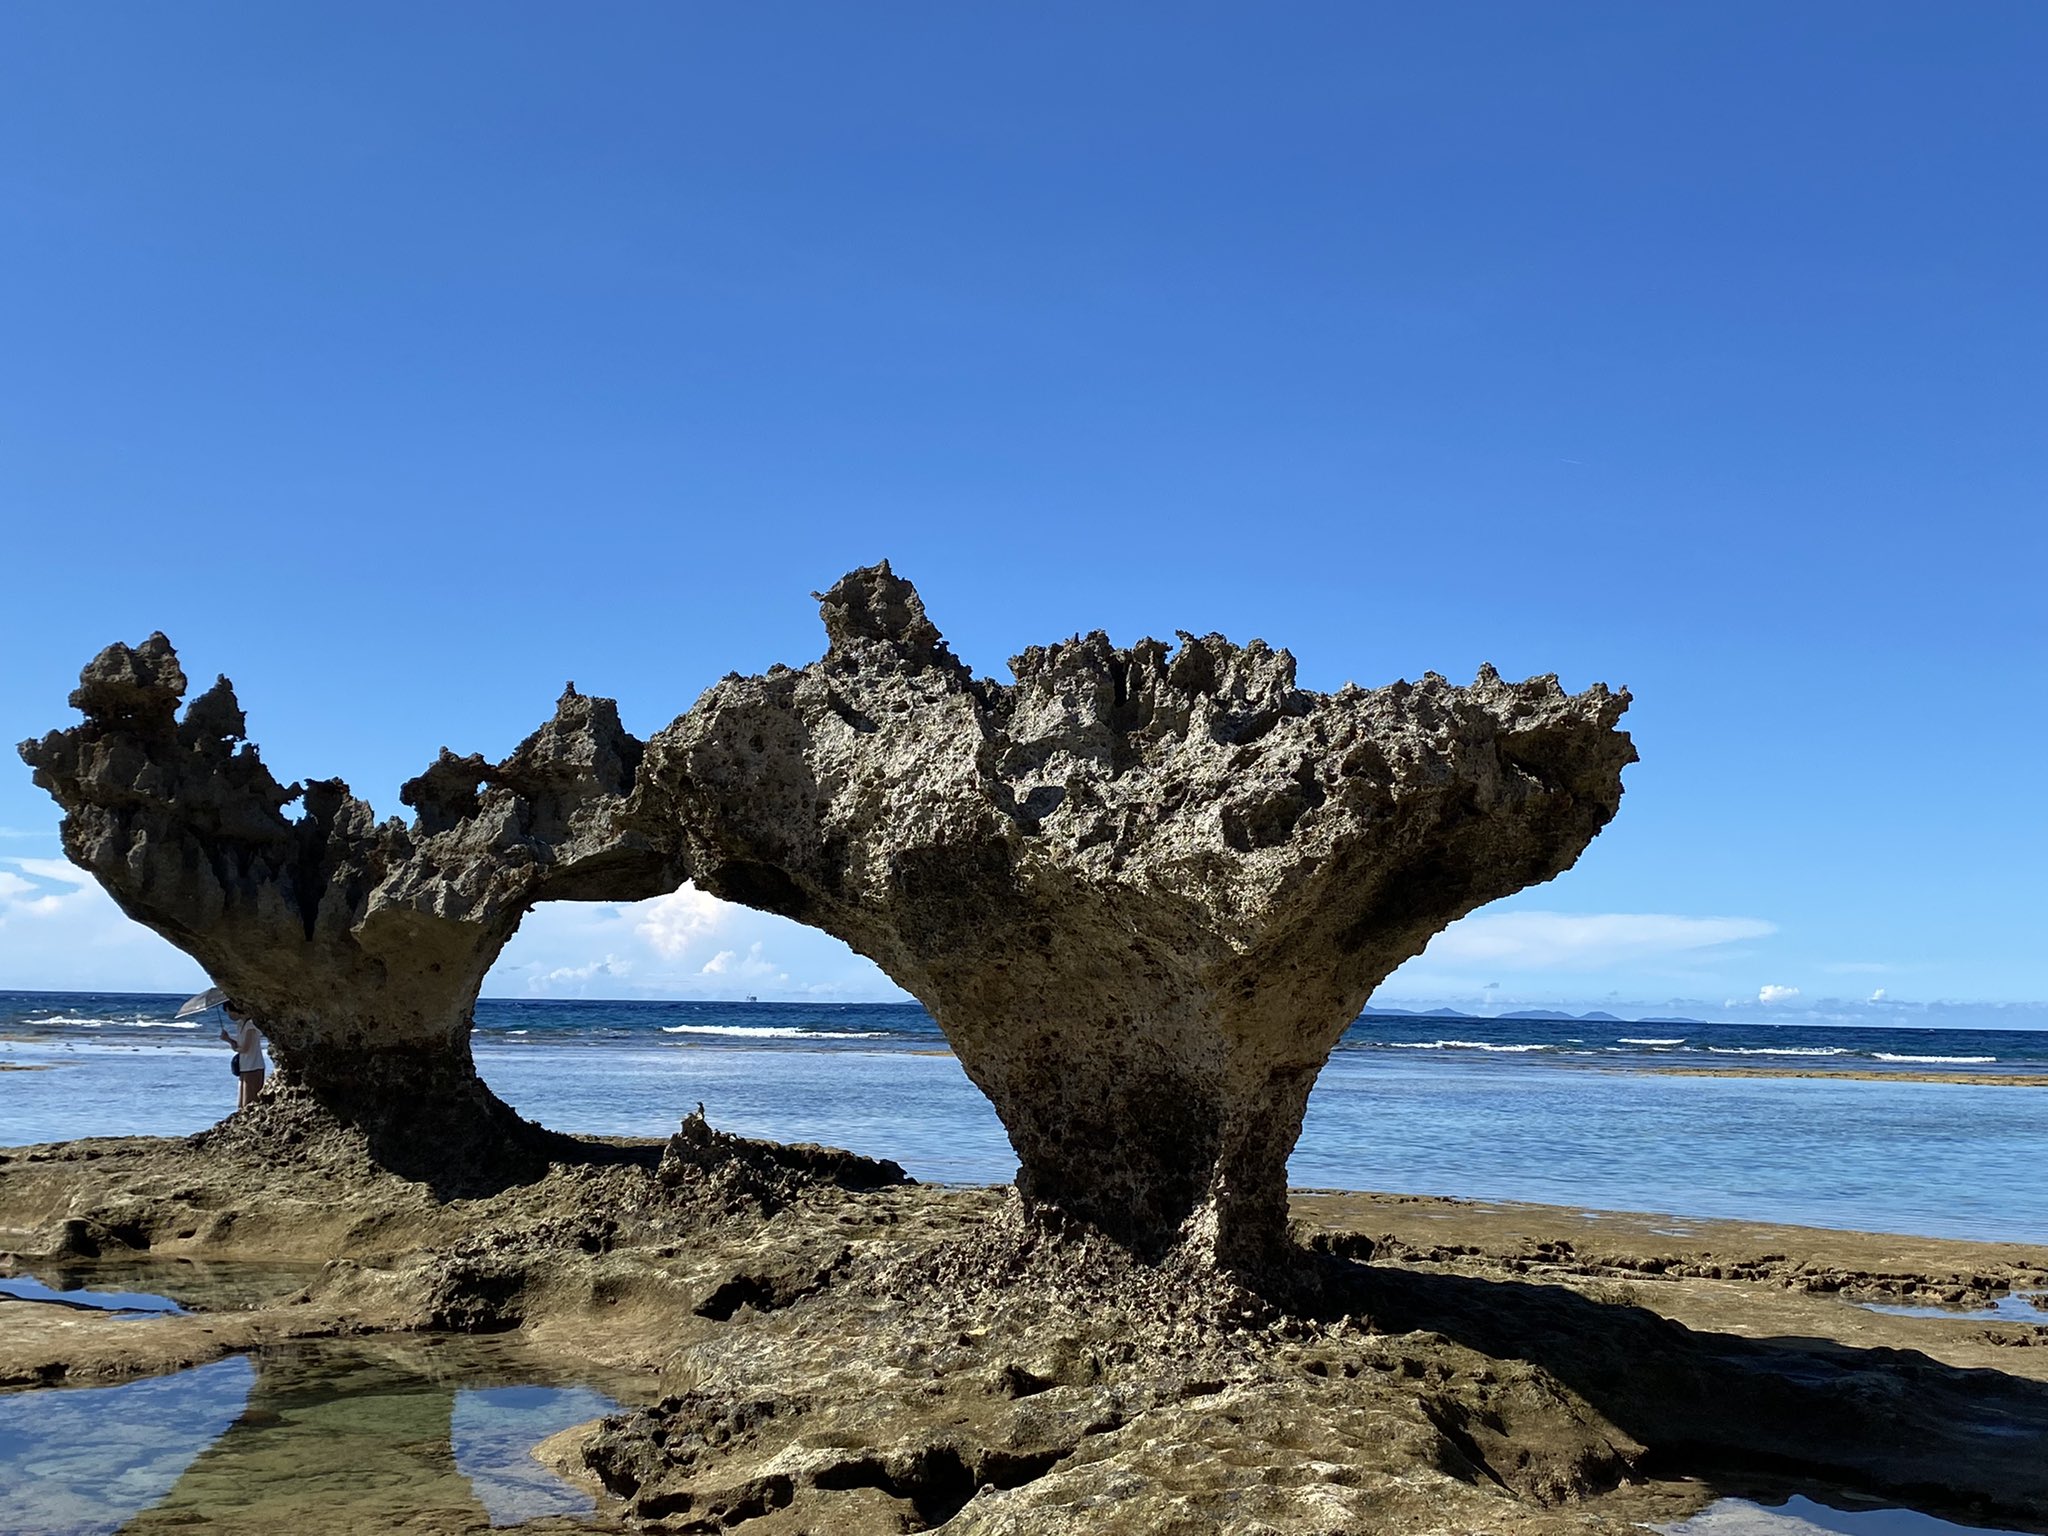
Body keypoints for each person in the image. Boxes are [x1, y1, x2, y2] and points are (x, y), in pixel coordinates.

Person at [219, 1002, 267, 1110]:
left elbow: (245, 1048)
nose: (229, 1016)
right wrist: (228, 1039)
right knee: (242, 1103)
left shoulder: (250, 1024)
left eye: (229, 1012)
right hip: (245, 1066)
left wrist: (232, 1043)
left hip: (254, 1066)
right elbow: (240, 1046)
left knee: (250, 1102)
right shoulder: (241, 1024)